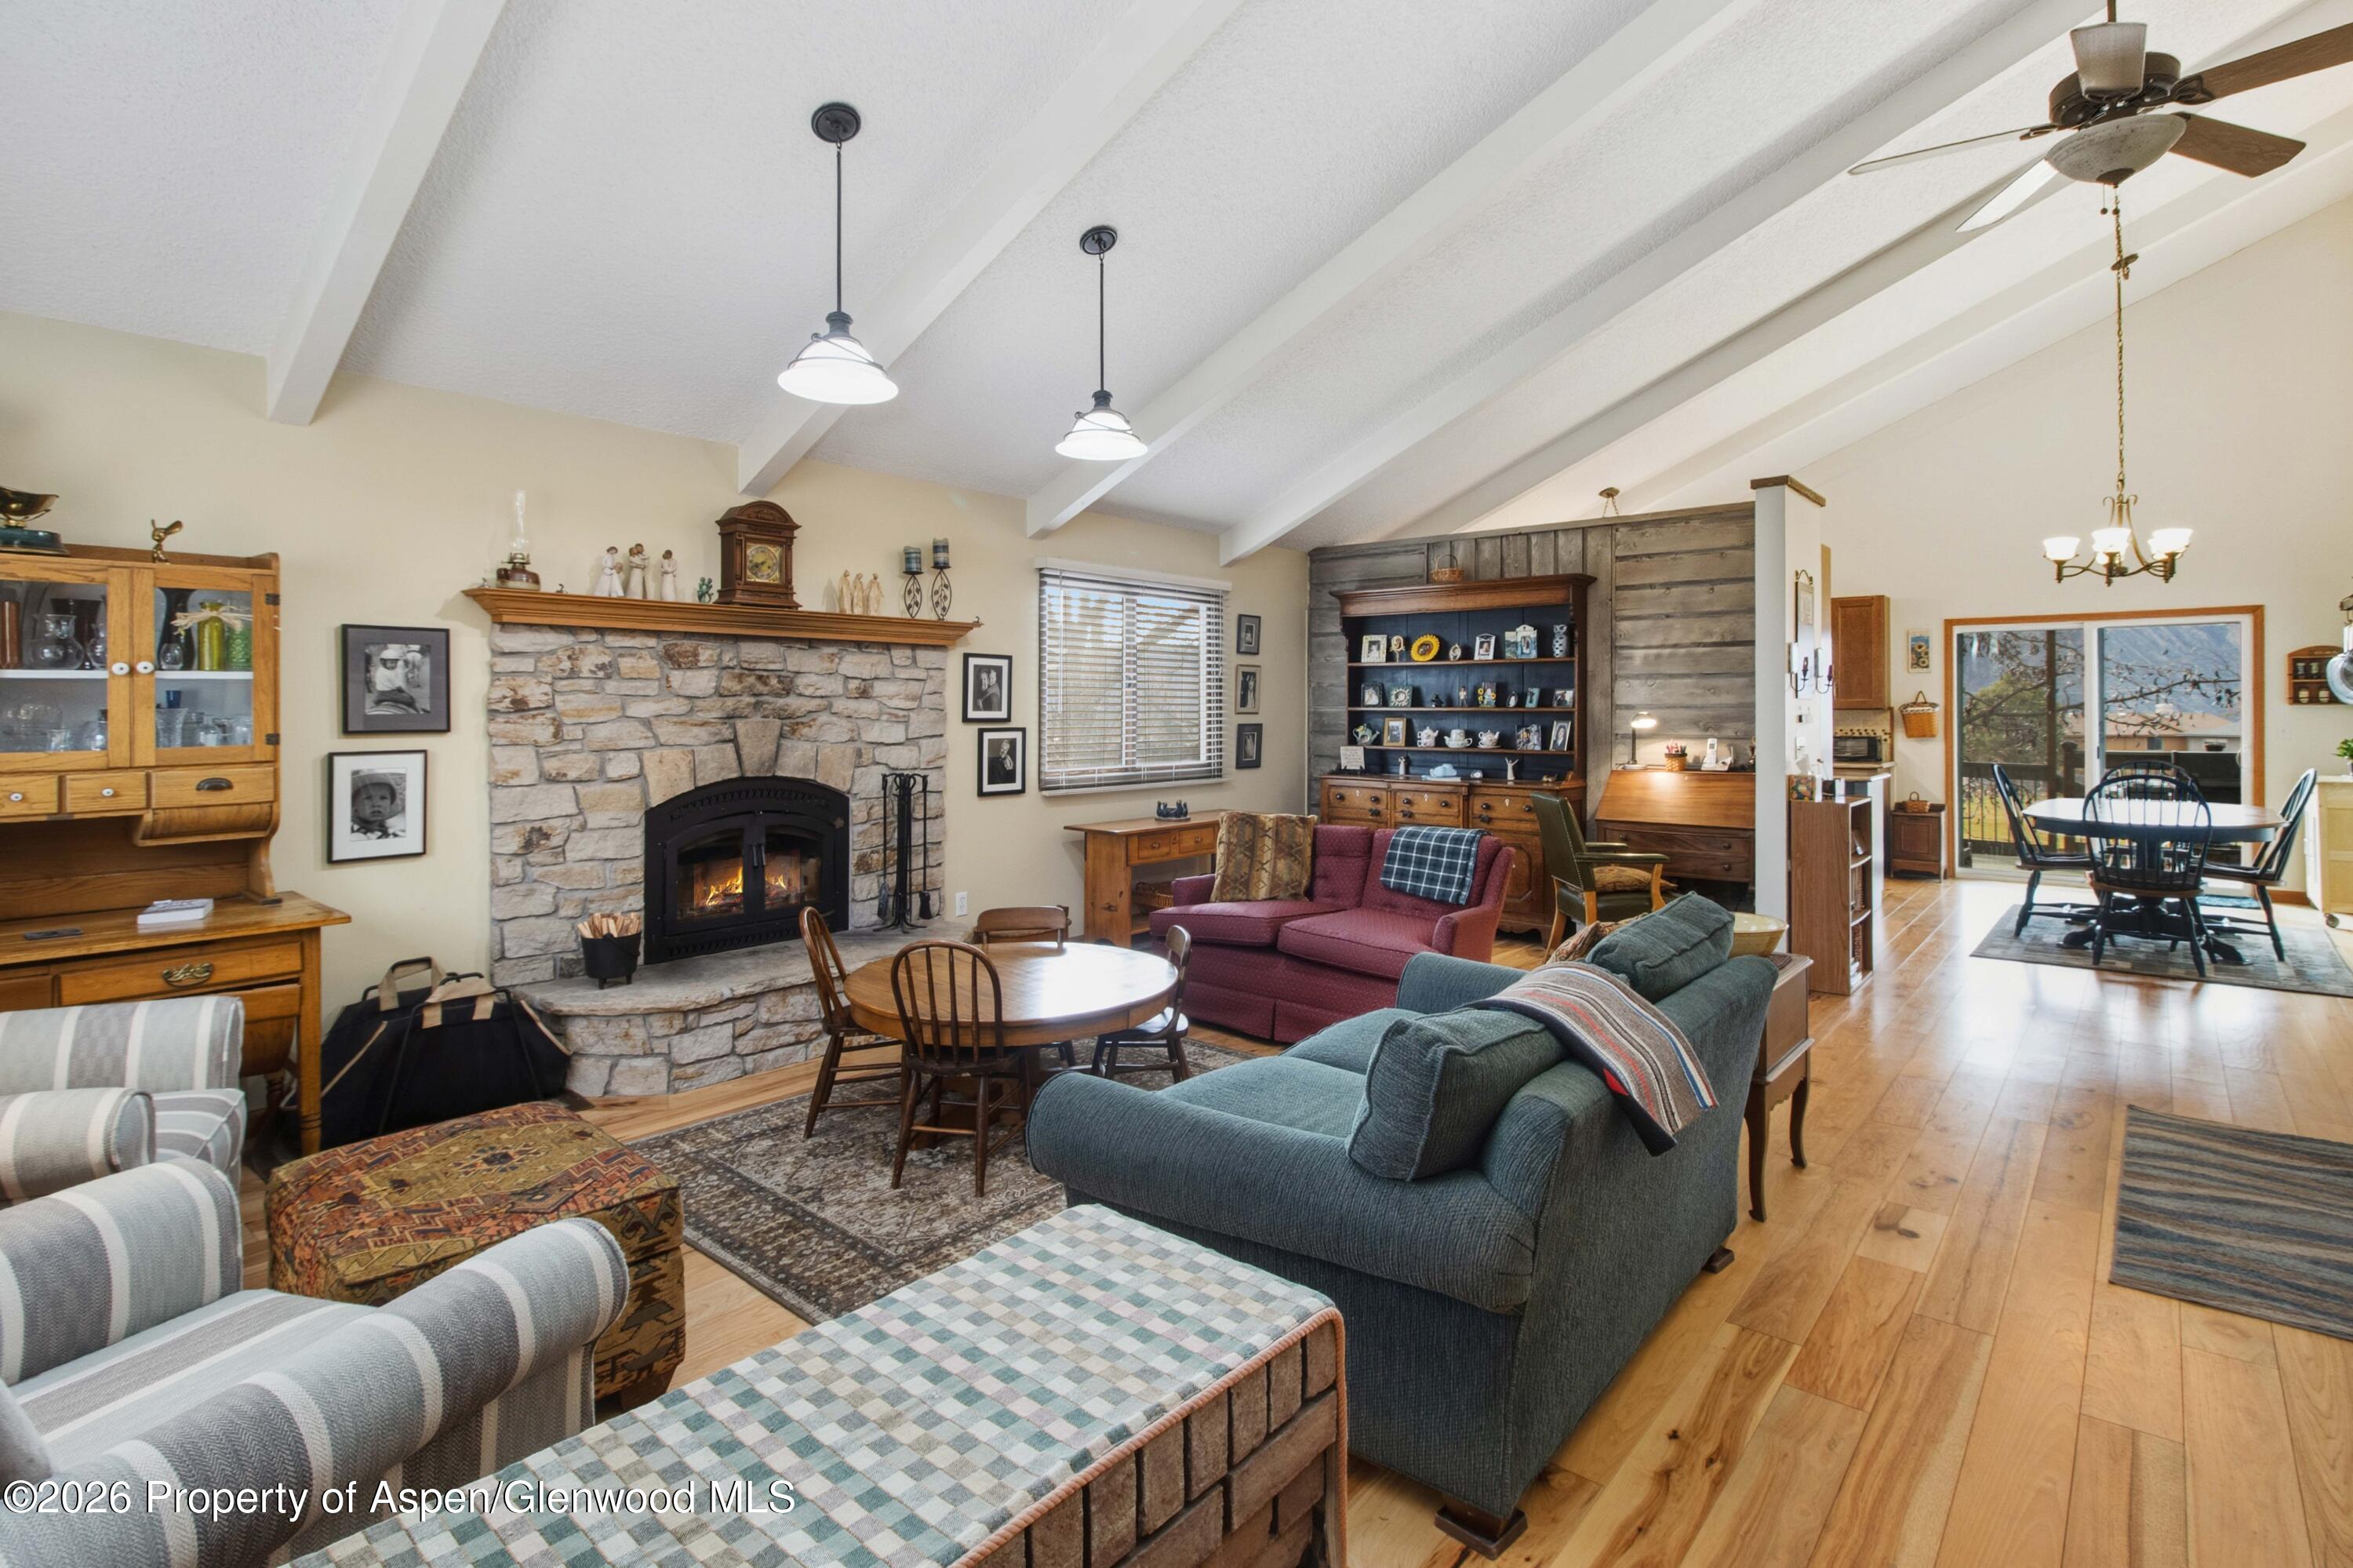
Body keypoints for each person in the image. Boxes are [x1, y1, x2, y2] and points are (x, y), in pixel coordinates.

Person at [351, 772, 405, 839]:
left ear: (390, 804)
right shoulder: (356, 836)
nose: (376, 804)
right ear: (354, 807)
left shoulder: (390, 833)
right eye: (368, 798)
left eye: (383, 798)